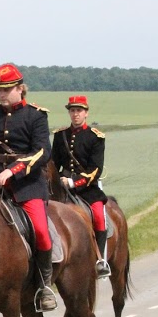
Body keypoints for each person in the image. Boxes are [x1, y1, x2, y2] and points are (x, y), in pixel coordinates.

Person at [0, 63, 56, 311]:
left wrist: (13, 170)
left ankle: (44, 285)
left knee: (40, 229)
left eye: (7, 89)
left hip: (28, 185)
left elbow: (42, 152)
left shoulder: (36, 115)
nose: (1, 95)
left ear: (20, 88)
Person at [52, 95, 111, 279]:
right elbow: (54, 163)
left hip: (87, 188)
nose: (75, 114)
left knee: (99, 217)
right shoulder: (60, 135)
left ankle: (100, 259)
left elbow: (95, 170)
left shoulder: (95, 137)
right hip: (62, 187)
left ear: (86, 113)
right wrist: (60, 179)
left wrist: (74, 181)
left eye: (79, 111)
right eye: (72, 110)